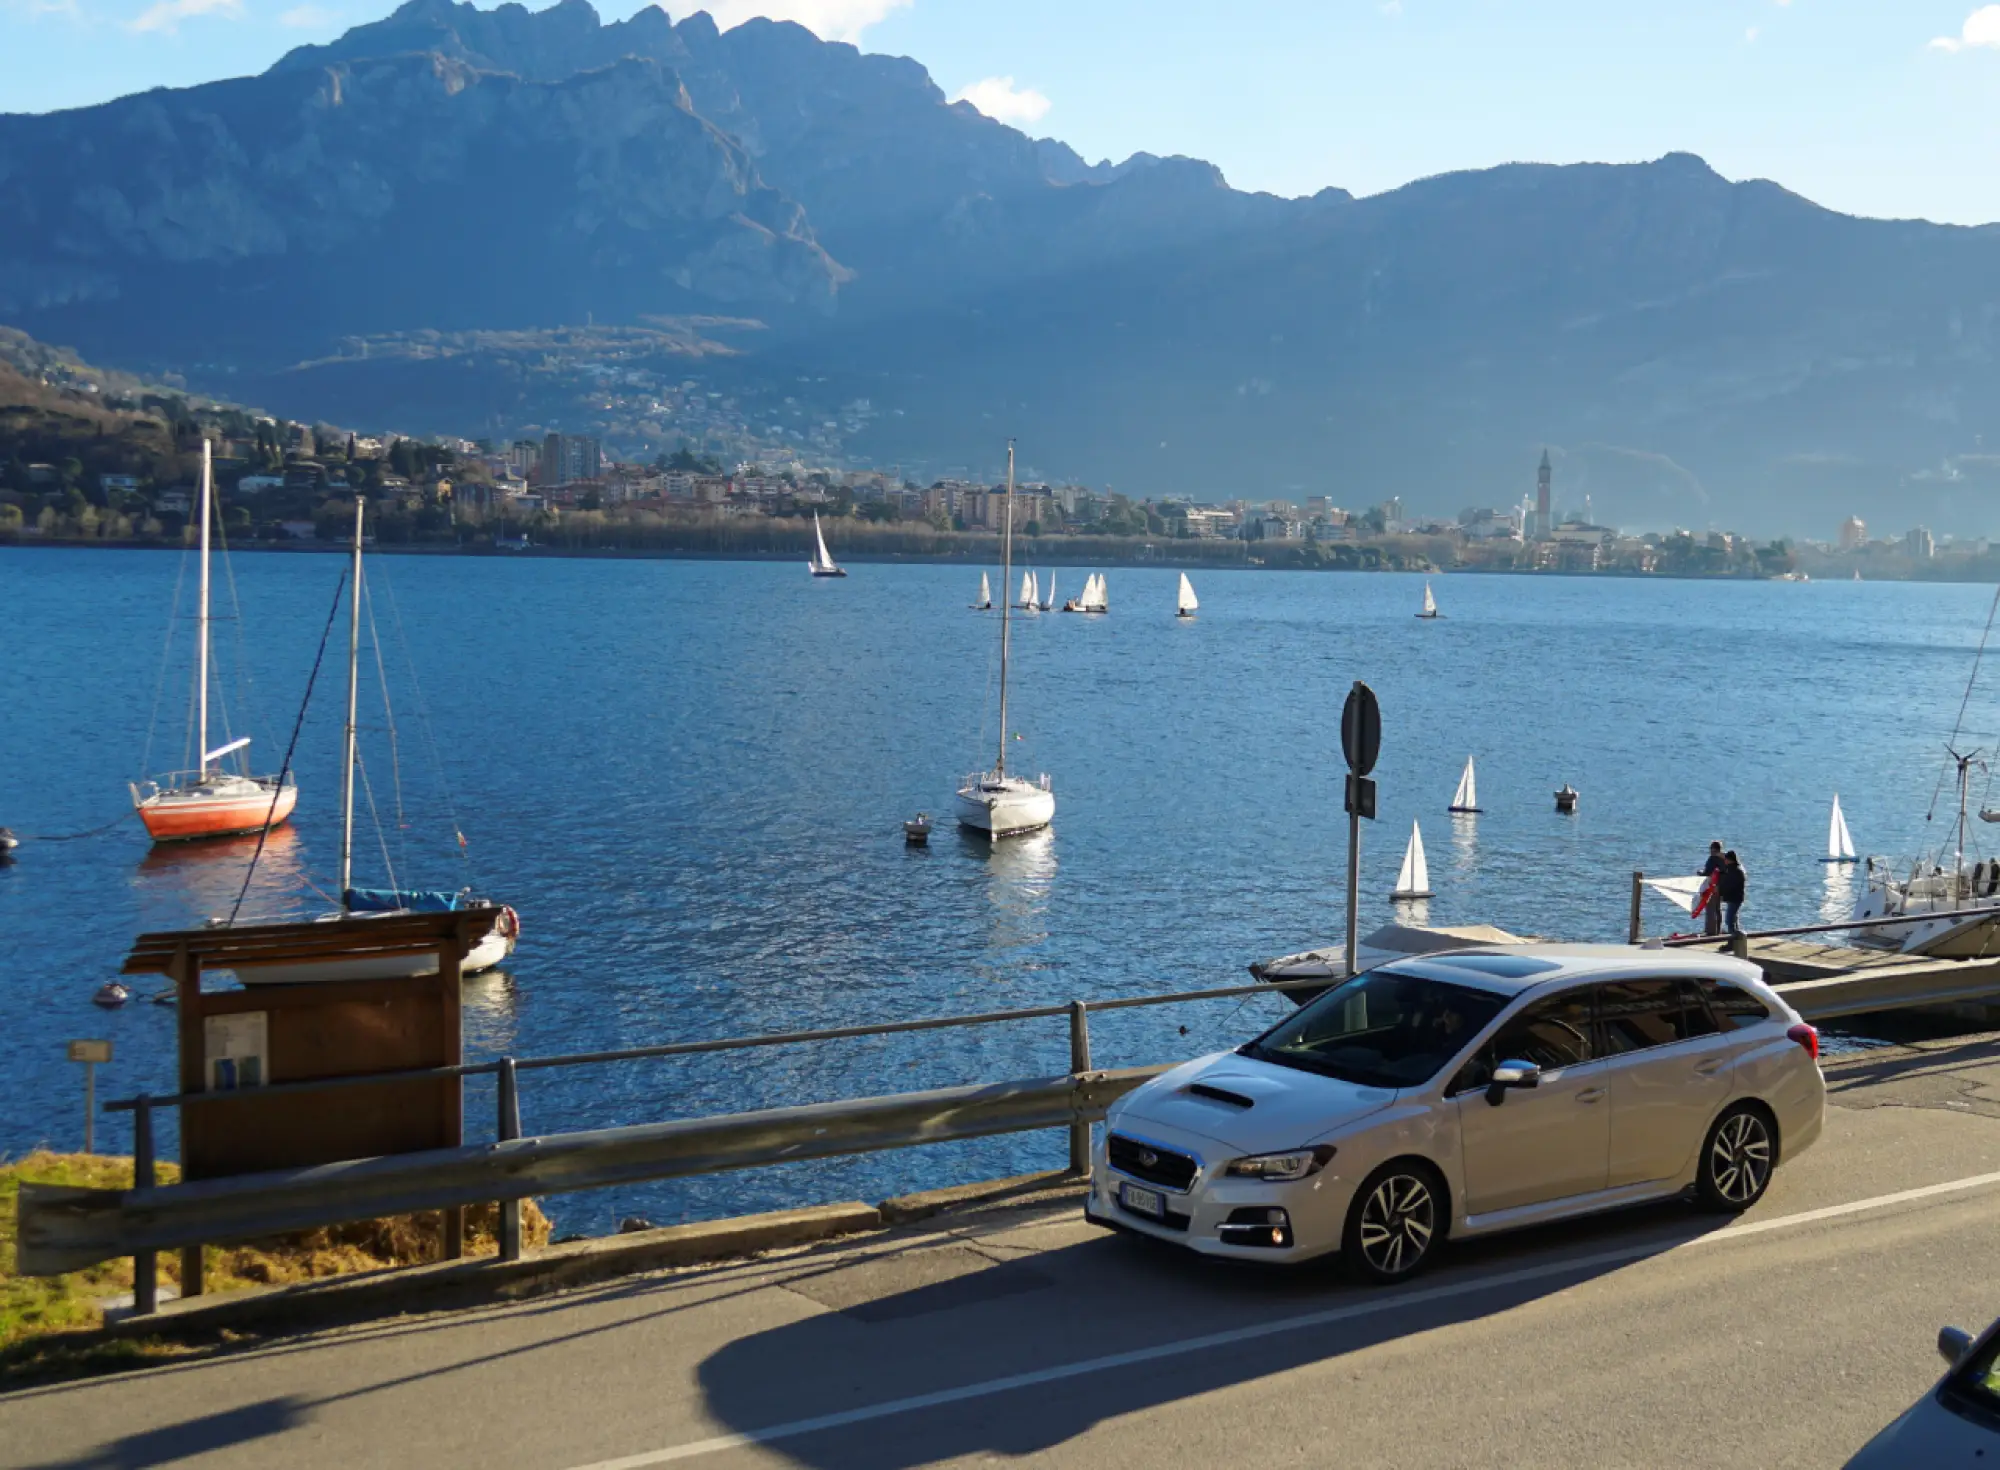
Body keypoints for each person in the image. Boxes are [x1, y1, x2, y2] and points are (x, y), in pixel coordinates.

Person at [1700, 841, 1725, 936]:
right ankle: (1718, 929)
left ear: (1713, 849)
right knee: (1718, 909)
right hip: (1721, 887)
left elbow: (1707, 873)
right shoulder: (1723, 859)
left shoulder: (1712, 859)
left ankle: (1711, 931)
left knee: (1710, 909)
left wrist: (1700, 873)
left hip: (1712, 887)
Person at [1720, 850, 1747, 934]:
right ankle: (1736, 940)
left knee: (1729, 920)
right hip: (1736, 898)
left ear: (1730, 860)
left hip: (1734, 898)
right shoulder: (1737, 869)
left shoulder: (1734, 870)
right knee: (1733, 919)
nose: (1724, 861)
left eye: (1726, 859)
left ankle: (1732, 941)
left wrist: (1722, 893)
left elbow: (1729, 885)